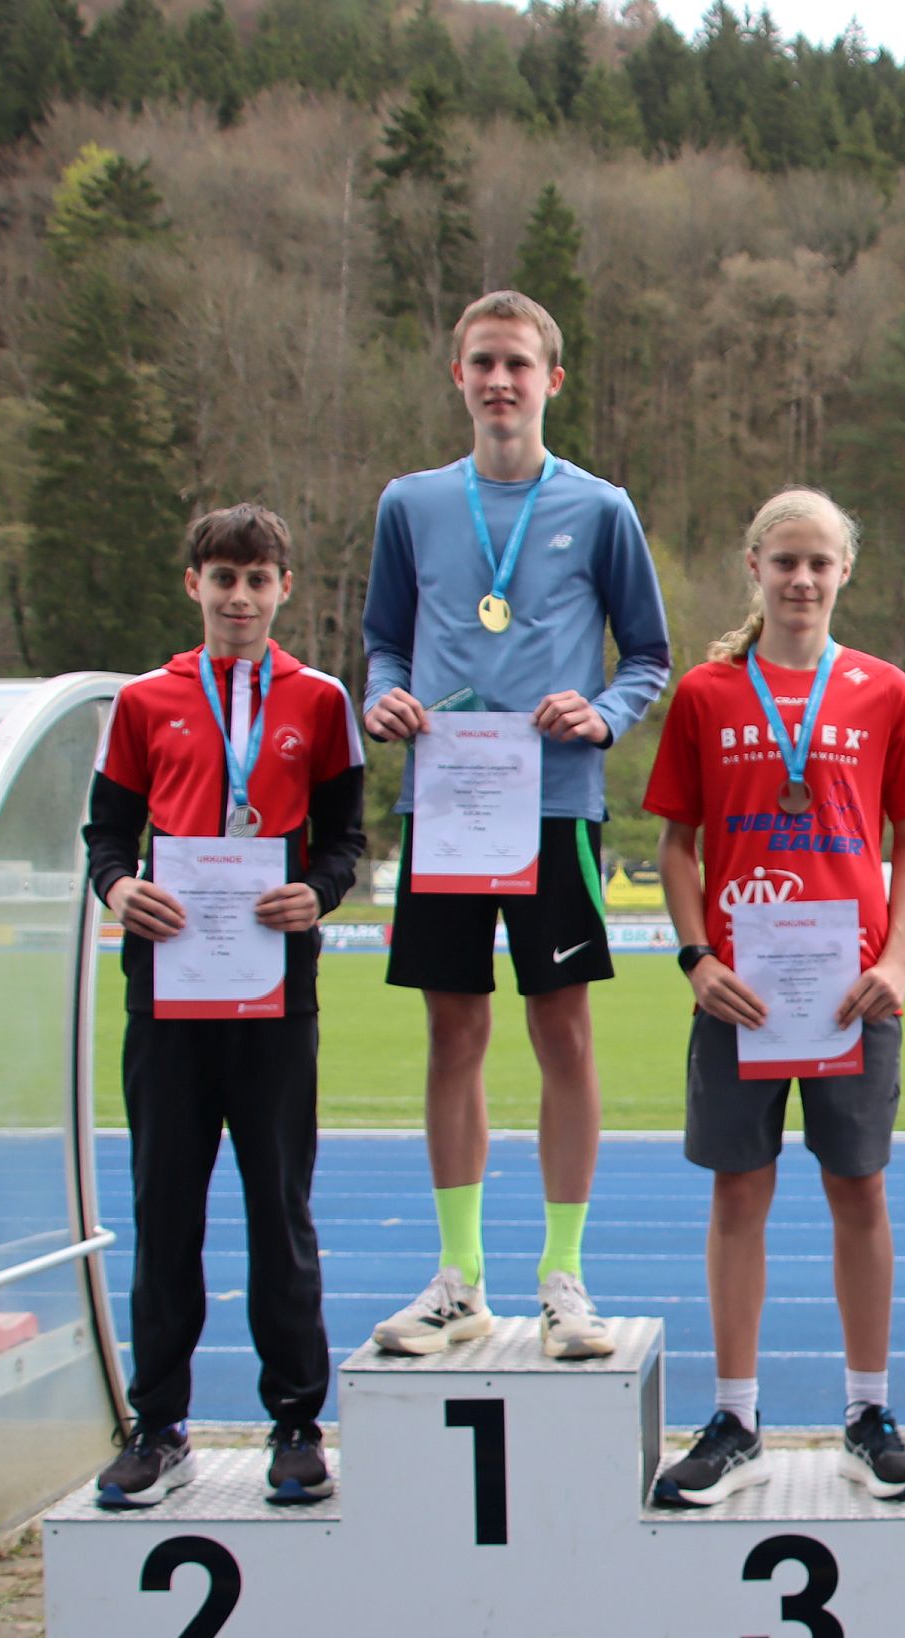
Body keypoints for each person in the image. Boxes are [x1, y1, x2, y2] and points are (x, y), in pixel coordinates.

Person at [359, 291, 672, 1360]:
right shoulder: (410, 504)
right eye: (484, 362)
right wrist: (383, 697)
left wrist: (606, 712)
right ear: (458, 375)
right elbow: (385, 643)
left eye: (519, 364)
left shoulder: (602, 508)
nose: (501, 381)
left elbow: (647, 657)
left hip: (555, 806)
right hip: (448, 807)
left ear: (553, 380)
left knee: (563, 1036)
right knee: (453, 1035)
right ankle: (460, 1279)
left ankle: (564, 1277)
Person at [644, 489, 905, 1506]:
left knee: (860, 1191)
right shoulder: (706, 693)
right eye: (785, 561)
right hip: (742, 993)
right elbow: (676, 844)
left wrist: (899, 961)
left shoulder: (885, 690)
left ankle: (868, 1415)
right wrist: (695, 958)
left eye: (819, 562)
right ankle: (735, 1420)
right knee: (739, 1195)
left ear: (845, 570)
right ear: (754, 567)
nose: (802, 579)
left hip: (855, 992)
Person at [85, 504, 366, 1507]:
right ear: (193, 584)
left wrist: (318, 892)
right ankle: (159, 1425)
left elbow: (345, 839)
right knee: (164, 1211)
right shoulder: (144, 700)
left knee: (278, 1212)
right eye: (222, 578)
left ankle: (296, 1422)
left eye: (257, 579)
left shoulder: (321, 700)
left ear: (284, 587)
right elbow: (107, 834)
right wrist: (120, 889)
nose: (239, 597)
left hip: (272, 992)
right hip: (167, 992)